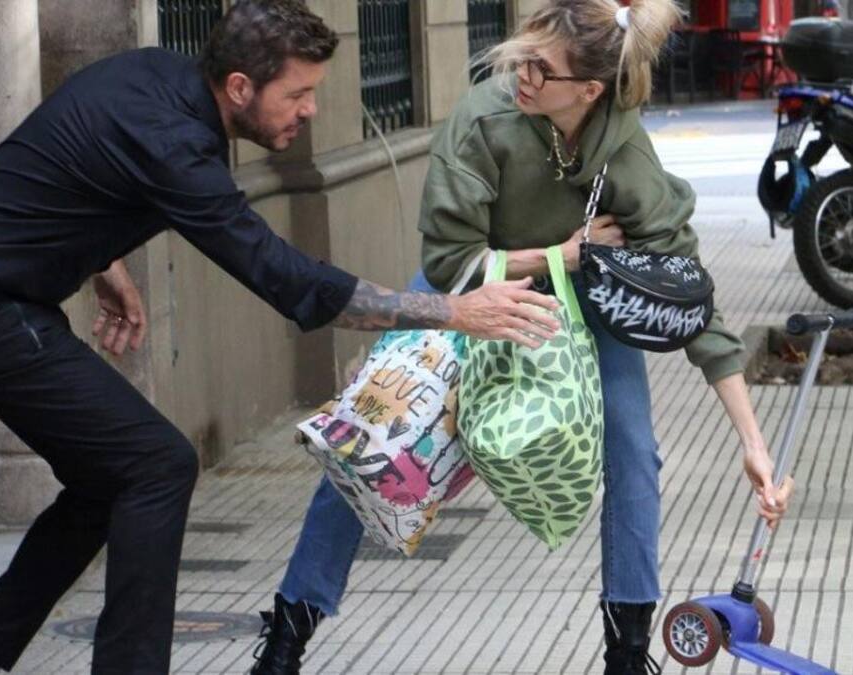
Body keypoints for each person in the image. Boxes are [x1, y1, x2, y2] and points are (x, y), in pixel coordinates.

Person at [0, 2, 562, 674]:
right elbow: (286, 278)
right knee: (157, 463)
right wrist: (454, 311)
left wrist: (103, 261)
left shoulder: (157, 80)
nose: (309, 111)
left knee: (108, 480)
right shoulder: (177, 147)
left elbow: (66, 162)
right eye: (298, 94)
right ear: (240, 88)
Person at [248, 2, 795, 674]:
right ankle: (286, 636)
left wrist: (753, 442)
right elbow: (449, 261)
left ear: (589, 91)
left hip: (584, 303)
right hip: (472, 289)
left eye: (543, 68)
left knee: (634, 454)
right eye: (523, 55)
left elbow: (689, 297)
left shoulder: (627, 158)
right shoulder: (486, 117)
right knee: (370, 438)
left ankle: (627, 653)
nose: (522, 74)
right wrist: (555, 255)